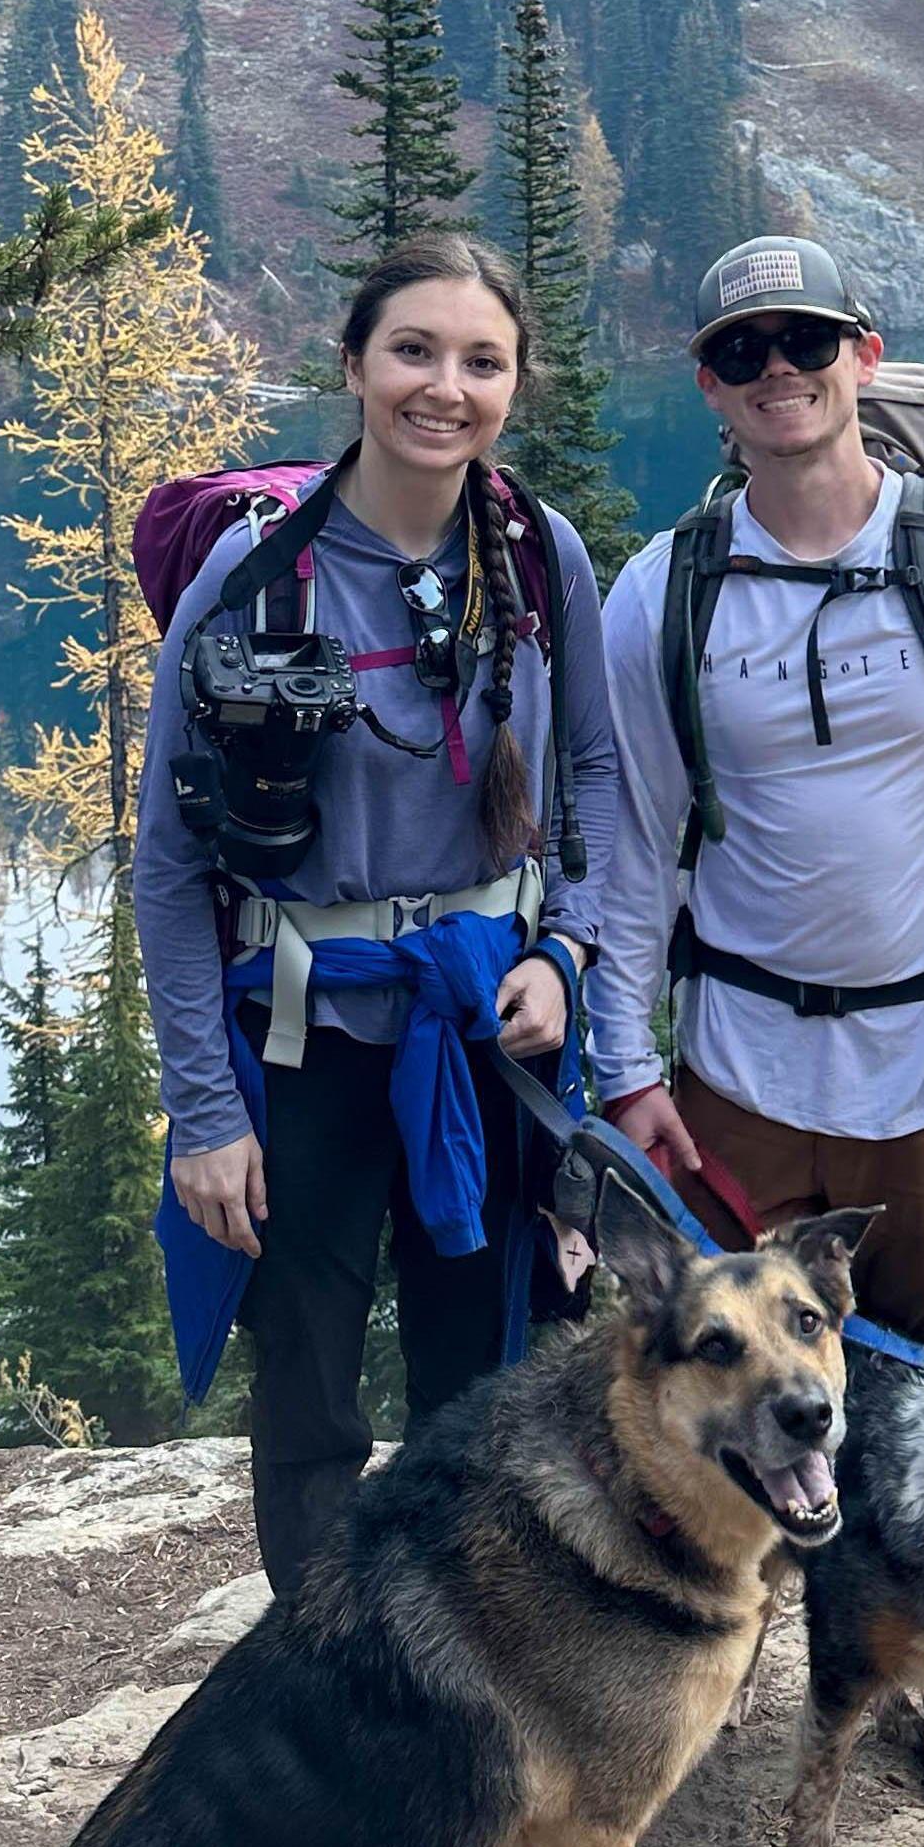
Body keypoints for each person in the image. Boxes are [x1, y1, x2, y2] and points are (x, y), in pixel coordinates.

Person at [587, 233, 924, 1794]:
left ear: (866, 354)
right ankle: (728, 1660)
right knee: (745, 1394)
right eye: (747, 350)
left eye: (808, 342)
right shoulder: (670, 589)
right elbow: (632, 842)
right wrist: (626, 1061)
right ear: (710, 381)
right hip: (743, 1065)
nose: (782, 373)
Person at [135, 229, 622, 1595]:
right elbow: (170, 867)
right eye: (414, 351)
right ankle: (327, 1660)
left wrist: (570, 955)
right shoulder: (251, 581)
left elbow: (593, 772)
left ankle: (474, 1657)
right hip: (305, 1049)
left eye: (482, 361)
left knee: (490, 1370)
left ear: (514, 383)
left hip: (489, 1030)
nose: (444, 388)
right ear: (352, 364)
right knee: (309, 1395)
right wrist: (207, 1115)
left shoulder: (537, 558)